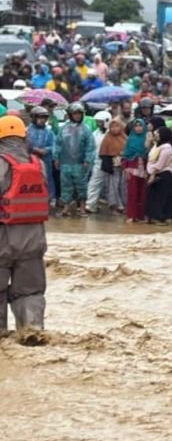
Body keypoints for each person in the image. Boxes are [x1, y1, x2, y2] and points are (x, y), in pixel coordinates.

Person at [0, 115, 49, 337]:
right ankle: (32, 329)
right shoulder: (38, 164)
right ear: (23, 136)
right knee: (30, 290)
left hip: (2, 238)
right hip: (33, 239)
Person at [54, 102, 95, 218]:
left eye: (79, 114)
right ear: (70, 114)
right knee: (65, 185)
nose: (77, 116)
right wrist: (56, 158)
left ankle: (82, 208)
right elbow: (58, 144)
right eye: (75, 114)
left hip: (80, 163)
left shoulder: (86, 129)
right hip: (65, 162)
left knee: (82, 186)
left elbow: (90, 146)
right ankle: (66, 208)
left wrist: (87, 160)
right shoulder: (63, 129)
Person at [145, 127, 172, 225]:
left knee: (163, 197)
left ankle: (162, 218)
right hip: (154, 172)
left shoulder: (167, 147)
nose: (156, 135)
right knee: (154, 197)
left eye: (158, 134)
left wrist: (153, 174)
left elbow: (161, 163)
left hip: (164, 174)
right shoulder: (156, 146)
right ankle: (153, 216)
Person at [26, 106, 56, 206]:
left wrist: (46, 150)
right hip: (30, 159)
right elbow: (24, 144)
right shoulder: (27, 131)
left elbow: (54, 145)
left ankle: (50, 198)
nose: (42, 120)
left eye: (44, 118)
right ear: (34, 118)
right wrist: (34, 149)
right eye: (39, 117)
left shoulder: (49, 132)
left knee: (47, 178)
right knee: (30, 179)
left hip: (45, 159)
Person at [84, 111, 112, 214]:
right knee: (94, 183)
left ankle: (116, 206)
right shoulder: (95, 133)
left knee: (113, 185)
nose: (98, 124)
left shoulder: (112, 133)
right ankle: (90, 205)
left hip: (111, 162)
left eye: (100, 122)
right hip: (98, 162)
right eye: (97, 122)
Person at [97, 119, 126, 216]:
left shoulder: (125, 137)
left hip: (124, 167)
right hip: (112, 167)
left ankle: (123, 206)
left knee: (123, 186)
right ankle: (114, 207)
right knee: (113, 187)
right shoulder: (107, 138)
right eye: (112, 127)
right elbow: (103, 153)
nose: (114, 129)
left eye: (117, 126)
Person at [122, 119, 148, 224]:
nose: (138, 128)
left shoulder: (147, 139)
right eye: (136, 126)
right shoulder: (130, 140)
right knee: (132, 193)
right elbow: (125, 156)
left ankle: (141, 216)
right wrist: (125, 169)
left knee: (143, 193)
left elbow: (150, 154)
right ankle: (131, 215)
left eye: (140, 126)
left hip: (145, 169)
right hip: (132, 168)